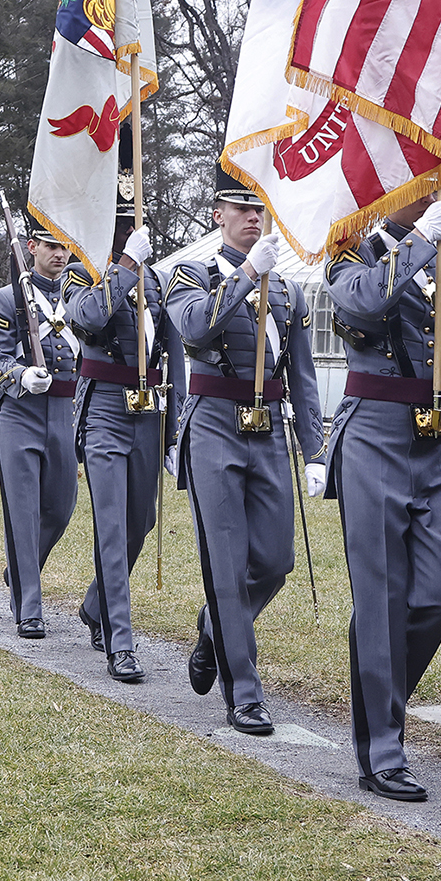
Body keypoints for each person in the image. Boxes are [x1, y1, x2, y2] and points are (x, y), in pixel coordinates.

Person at [317, 192, 441, 801]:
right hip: (373, 437)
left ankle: (377, 700)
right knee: (382, 594)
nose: (430, 189)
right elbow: (365, 306)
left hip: (437, 441)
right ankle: (383, 748)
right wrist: (419, 244)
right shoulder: (347, 256)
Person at [165, 168, 323, 736]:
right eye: (240, 208)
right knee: (227, 567)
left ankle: (214, 627)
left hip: (269, 432)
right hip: (213, 426)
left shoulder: (286, 289)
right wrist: (245, 276)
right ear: (218, 215)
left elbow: (302, 377)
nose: (253, 218)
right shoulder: (192, 274)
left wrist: (315, 450)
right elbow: (196, 332)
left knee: (276, 561)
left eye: (259, 210)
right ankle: (245, 693)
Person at [63, 135, 181, 684]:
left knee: (140, 522)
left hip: (148, 414)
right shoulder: (83, 273)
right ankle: (121, 640)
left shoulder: (158, 280)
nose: (129, 222)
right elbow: (85, 319)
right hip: (105, 411)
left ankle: (95, 605)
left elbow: (172, 355)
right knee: (111, 524)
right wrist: (126, 266)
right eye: (120, 214)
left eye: (134, 213)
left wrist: (175, 430)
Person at [0, 217, 82, 638]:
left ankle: (20, 571)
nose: (59, 255)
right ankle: (29, 606)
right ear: (31, 247)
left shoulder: (81, 297)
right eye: (50, 246)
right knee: (23, 513)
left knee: (59, 509)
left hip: (66, 412)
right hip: (19, 413)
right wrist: (20, 374)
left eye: (65, 248)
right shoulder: (7, 298)